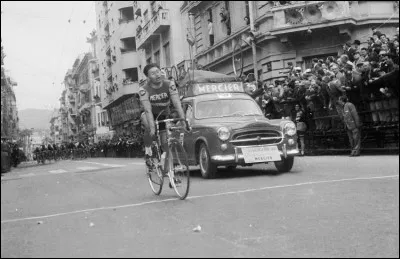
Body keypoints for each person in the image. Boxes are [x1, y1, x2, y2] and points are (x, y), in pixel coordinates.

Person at [139, 63, 186, 175]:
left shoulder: (169, 84)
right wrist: (152, 128)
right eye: (153, 73)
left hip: (163, 114)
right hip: (148, 114)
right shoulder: (144, 89)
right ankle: (148, 151)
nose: (157, 75)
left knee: (165, 143)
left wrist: (183, 120)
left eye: (158, 71)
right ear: (148, 77)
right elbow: (147, 110)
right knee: (150, 129)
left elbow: (176, 103)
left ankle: (169, 170)